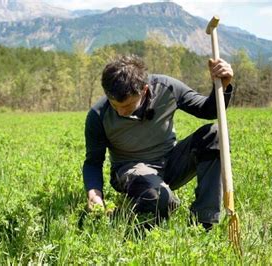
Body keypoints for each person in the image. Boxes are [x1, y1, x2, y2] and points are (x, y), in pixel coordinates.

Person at [82, 54, 234, 229]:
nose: (121, 112)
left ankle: (203, 222)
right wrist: (94, 194)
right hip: (130, 170)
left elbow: (208, 111)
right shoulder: (98, 115)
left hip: (170, 162)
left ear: (144, 90)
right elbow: (93, 162)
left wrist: (222, 86)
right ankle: (131, 212)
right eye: (115, 105)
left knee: (215, 134)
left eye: (127, 105)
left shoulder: (166, 87)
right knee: (161, 199)